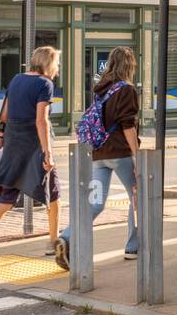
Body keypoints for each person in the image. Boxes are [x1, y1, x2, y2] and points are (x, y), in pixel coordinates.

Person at [0, 45, 61, 269]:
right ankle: (54, 242)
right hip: (33, 145)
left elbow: (5, 114)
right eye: (56, 63)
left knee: (7, 197)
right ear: (49, 63)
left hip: (13, 144)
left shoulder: (17, 79)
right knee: (53, 194)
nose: (56, 68)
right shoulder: (45, 84)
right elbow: (41, 121)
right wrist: (47, 153)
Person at [53, 45, 141, 269]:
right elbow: (127, 126)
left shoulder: (101, 89)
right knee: (138, 197)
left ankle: (67, 237)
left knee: (95, 204)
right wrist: (138, 156)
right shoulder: (127, 90)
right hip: (121, 154)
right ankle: (133, 247)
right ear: (130, 65)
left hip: (97, 154)